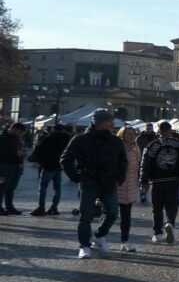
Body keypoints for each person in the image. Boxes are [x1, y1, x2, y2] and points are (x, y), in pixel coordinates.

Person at [59, 109, 128, 259]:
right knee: (86, 216)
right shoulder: (80, 140)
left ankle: (99, 236)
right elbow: (66, 159)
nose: (112, 124)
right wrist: (76, 177)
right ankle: (84, 245)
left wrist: (120, 176)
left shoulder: (115, 140)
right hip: (89, 181)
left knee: (112, 213)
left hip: (109, 182)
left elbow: (123, 161)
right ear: (99, 123)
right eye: (109, 121)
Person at [141, 121, 179, 244]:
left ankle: (158, 233)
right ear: (170, 130)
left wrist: (143, 182)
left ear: (158, 131)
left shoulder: (152, 145)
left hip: (156, 181)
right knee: (172, 206)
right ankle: (170, 222)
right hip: (173, 180)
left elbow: (145, 164)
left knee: (157, 208)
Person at [28, 123, 71, 216]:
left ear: (53, 129)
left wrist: (41, 162)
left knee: (43, 187)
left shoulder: (49, 138)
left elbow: (38, 150)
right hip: (59, 166)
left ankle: (41, 207)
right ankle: (54, 207)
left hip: (48, 166)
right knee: (57, 188)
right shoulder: (67, 139)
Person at [114, 126, 143, 252]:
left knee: (126, 217)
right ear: (122, 135)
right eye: (129, 133)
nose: (132, 136)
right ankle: (99, 237)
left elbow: (136, 171)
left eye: (133, 133)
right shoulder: (116, 149)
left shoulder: (135, 150)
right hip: (115, 187)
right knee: (109, 215)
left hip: (130, 188)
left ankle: (124, 241)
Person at [0, 122, 26, 215]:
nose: (20, 135)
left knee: (11, 188)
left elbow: (21, 150)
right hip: (5, 165)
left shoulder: (17, 139)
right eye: (20, 132)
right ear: (13, 129)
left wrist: (22, 153)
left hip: (16, 166)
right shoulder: (2, 138)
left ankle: (9, 207)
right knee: (2, 188)